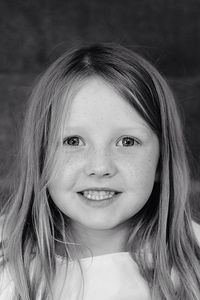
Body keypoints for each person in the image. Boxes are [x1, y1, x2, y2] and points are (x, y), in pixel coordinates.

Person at [0, 43, 200, 300]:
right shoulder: (8, 267)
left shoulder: (192, 268)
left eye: (127, 142)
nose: (100, 167)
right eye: (73, 141)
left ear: (161, 160)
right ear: (40, 156)